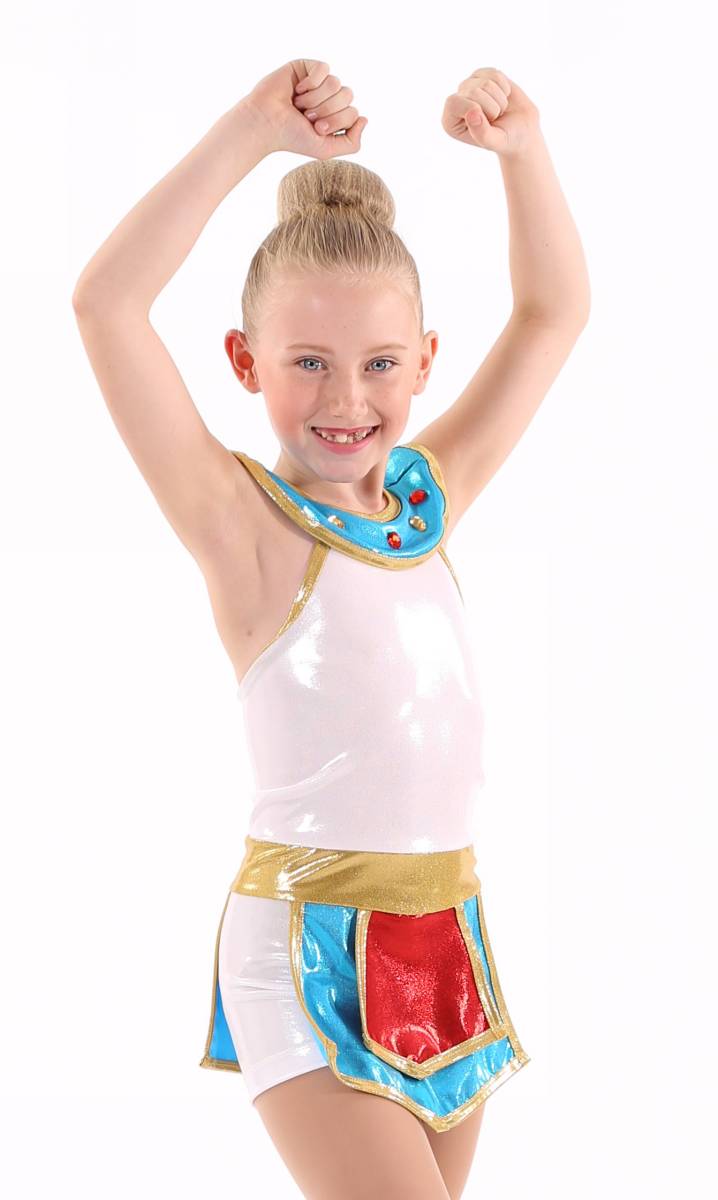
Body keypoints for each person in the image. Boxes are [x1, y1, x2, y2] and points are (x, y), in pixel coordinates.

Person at [72, 57, 590, 1200]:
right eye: (307, 364)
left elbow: (553, 314)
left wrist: (524, 152)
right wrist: (248, 131)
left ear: (425, 363)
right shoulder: (243, 527)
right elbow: (105, 305)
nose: (347, 401)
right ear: (244, 361)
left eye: (379, 366)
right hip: (308, 940)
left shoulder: (425, 501)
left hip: (447, 934)